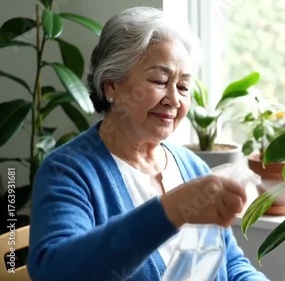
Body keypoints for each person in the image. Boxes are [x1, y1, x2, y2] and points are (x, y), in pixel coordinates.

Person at [27, 6, 269, 281]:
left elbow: (231, 264)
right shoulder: (68, 171)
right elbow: (54, 272)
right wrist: (171, 210)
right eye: (159, 80)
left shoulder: (192, 166)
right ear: (111, 86)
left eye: (183, 87)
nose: (174, 100)